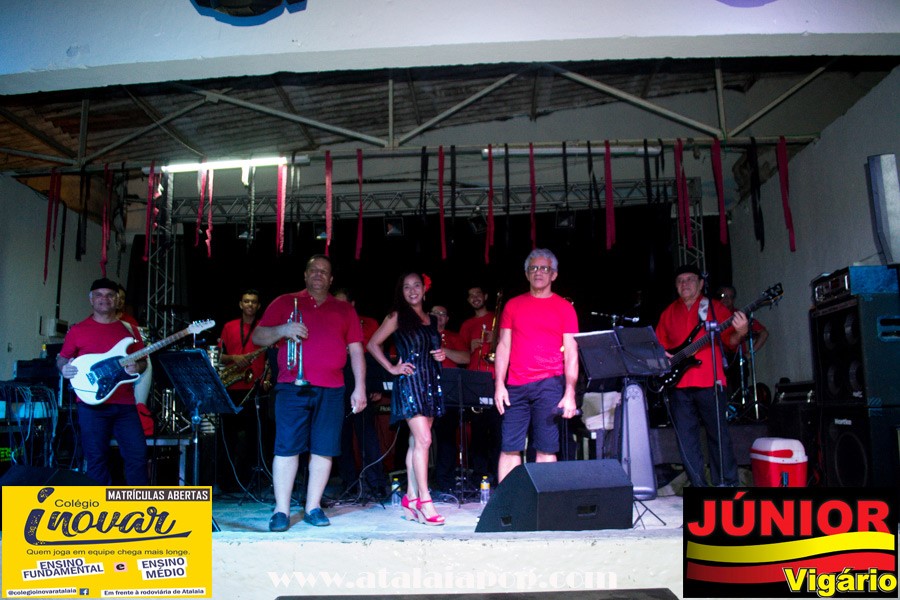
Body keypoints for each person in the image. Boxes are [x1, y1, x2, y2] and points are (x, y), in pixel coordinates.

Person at [252, 255, 366, 532]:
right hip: (292, 385)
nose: (318, 274)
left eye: (324, 271)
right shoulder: (285, 302)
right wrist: (283, 329)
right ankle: (281, 510)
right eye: (313, 270)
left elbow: (356, 351)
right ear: (305, 275)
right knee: (286, 446)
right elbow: (257, 337)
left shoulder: (344, 310)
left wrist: (360, 387)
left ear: (331, 279)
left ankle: (313, 507)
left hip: (333, 388)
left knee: (324, 448)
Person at [655, 266, 748, 487]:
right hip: (679, 384)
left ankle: (726, 484)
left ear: (701, 283)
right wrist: (662, 357)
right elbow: (658, 347)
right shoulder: (668, 313)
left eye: (689, 279)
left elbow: (731, 342)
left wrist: (741, 332)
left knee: (719, 436)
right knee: (686, 440)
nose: (684, 284)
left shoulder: (715, 308)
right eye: (680, 280)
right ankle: (698, 485)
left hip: (710, 381)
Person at [367, 272, 448, 525]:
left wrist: (440, 355)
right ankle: (425, 500)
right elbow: (372, 344)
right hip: (411, 383)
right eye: (406, 287)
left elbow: (432, 348)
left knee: (416, 442)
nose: (412, 291)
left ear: (424, 289)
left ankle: (410, 497)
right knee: (424, 440)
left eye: (416, 286)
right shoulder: (396, 316)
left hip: (431, 381)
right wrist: (392, 368)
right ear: (401, 292)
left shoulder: (432, 319)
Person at [493, 249, 580, 483]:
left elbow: (571, 353)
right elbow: (503, 346)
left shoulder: (565, 308)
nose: (538, 272)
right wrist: (499, 385)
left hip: (549, 384)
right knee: (510, 446)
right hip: (515, 386)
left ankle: (545, 502)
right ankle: (508, 501)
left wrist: (570, 392)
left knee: (546, 447)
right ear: (526, 273)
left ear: (554, 274)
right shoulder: (513, 305)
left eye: (544, 268)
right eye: (533, 268)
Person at [57, 278, 148, 485]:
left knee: (137, 455)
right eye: (99, 295)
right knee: (96, 459)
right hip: (91, 405)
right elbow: (62, 358)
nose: (104, 299)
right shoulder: (78, 330)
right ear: (91, 300)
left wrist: (138, 367)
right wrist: (63, 368)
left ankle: (140, 502)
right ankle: (100, 503)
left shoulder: (130, 330)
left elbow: (143, 361)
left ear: (117, 300)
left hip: (124, 404)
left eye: (109, 295)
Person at [333, 287, 387, 498]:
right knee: (342, 437)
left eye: (342, 302)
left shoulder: (369, 323)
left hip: (361, 383)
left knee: (367, 435)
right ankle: (349, 483)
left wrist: (375, 386)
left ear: (352, 304)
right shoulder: (330, 320)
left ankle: (376, 482)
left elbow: (375, 355)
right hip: (337, 383)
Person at [217, 289, 269, 492]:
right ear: (240, 304)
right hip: (231, 387)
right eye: (246, 301)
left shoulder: (265, 328)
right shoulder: (229, 327)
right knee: (228, 438)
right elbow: (219, 356)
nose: (250, 305)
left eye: (254, 302)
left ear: (258, 306)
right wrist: (234, 358)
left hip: (255, 389)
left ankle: (250, 481)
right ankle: (227, 482)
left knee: (254, 438)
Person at [430, 304, 473, 493]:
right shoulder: (423, 334)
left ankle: (444, 480)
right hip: (425, 391)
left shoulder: (454, 337)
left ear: (447, 319)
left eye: (442, 314)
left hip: (449, 394)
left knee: (447, 437)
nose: (438, 316)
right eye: (434, 313)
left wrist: (444, 351)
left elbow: (466, 358)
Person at [458, 286, 496, 373]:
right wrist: (471, 349)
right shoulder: (466, 324)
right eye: (471, 296)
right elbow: (462, 354)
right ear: (468, 300)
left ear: (485, 296)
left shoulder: (499, 317)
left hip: (496, 371)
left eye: (478, 294)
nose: (475, 298)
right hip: (473, 372)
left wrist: (497, 339)